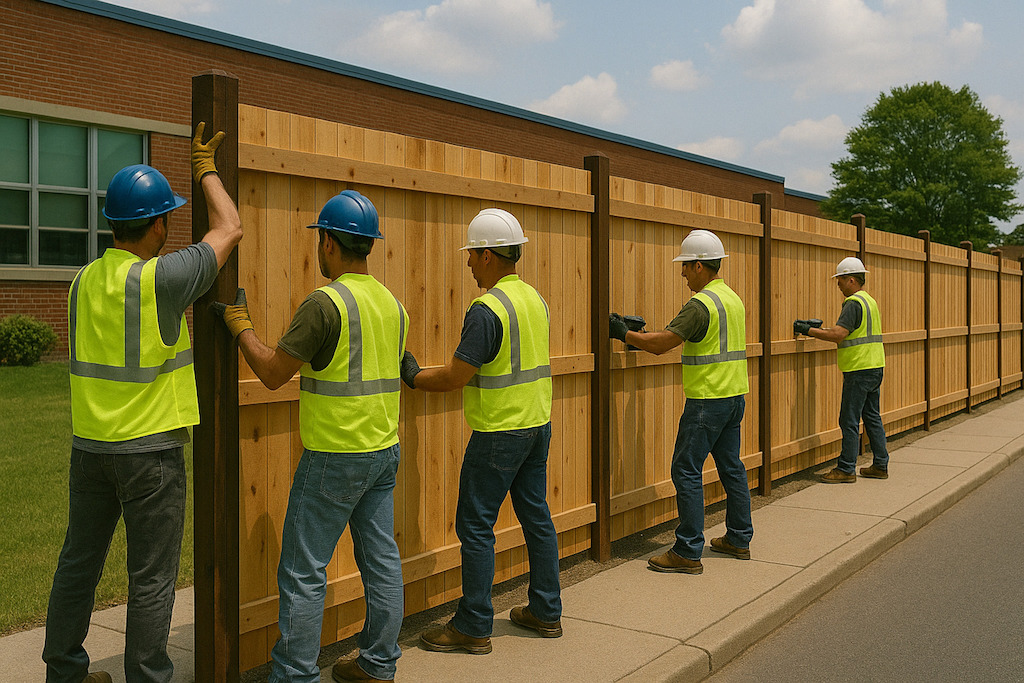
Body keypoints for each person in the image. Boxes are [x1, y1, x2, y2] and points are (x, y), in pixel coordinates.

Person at [43, 124, 242, 683]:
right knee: (151, 578)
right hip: (150, 455)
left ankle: (64, 671)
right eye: (167, 217)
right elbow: (231, 228)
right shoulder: (164, 279)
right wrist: (204, 168)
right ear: (157, 223)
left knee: (78, 565)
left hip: (90, 449)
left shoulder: (83, 279)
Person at [213, 189, 407, 683]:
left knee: (303, 571)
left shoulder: (324, 304)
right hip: (383, 453)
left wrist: (241, 329)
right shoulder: (393, 305)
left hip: (334, 458)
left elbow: (275, 373)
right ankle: (379, 663)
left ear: (327, 243)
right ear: (368, 244)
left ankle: (295, 676)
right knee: (381, 560)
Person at [402, 208, 562, 655]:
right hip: (537, 425)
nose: (469, 263)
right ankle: (547, 611)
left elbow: (457, 375)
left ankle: (473, 625)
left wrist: (414, 376)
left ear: (489, 256)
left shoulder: (486, 310)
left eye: (472, 255)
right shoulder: (535, 299)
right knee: (536, 516)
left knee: (475, 525)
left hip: (498, 432)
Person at [610, 229, 753, 574]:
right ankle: (738, 538)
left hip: (707, 400)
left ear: (701, 266)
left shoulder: (700, 305)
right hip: (734, 397)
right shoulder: (732, 299)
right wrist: (641, 336)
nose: (682, 273)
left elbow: (661, 344)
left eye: (686, 266)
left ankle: (688, 550)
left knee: (685, 469)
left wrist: (622, 333)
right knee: (731, 466)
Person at [794, 256, 889, 483]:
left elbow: (839, 335)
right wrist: (820, 328)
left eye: (841, 279)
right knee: (872, 416)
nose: (838, 284)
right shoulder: (869, 301)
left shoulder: (853, 303)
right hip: (875, 367)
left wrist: (808, 330)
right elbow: (851, 331)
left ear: (852, 280)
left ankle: (846, 469)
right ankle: (880, 465)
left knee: (848, 419)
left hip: (858, 369)